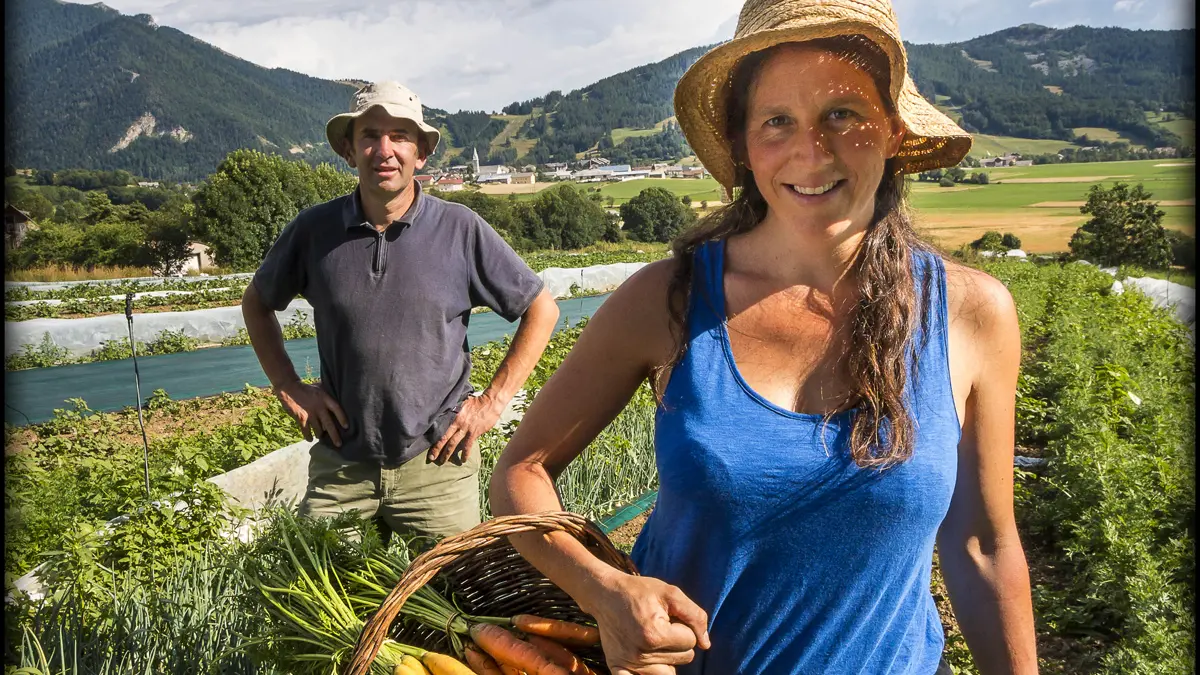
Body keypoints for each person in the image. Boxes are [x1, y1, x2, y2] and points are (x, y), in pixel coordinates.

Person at [488, 0, 1039, 673]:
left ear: (893, 130)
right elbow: (521, 471)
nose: (812, 149)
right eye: (778, 121)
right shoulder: (669, 299)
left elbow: (983, 542)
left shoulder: (971, 312)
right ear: (745, 148)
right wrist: (603, 590)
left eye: (843, 113)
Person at [243, 80, 559, 541]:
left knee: (458, 602)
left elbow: (541, 309)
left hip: (437, 465)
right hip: (341, 465)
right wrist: (288, 385)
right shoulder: (314, 232)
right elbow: (257, 302)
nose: (384, 149)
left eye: (400, 136)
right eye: (370, 135)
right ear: (350, 151)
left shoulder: (460, 229)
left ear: (421, 152)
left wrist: (491, 403)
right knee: (316, 597)